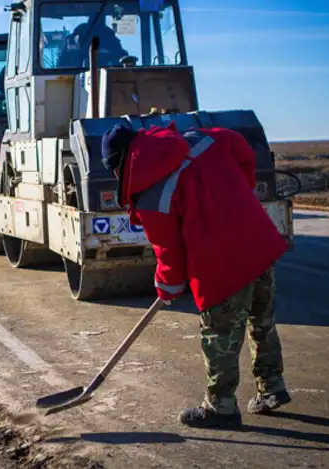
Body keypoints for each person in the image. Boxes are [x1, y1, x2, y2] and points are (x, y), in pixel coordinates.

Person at [100, 122, 291, 429]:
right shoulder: (198, 138)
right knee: (262, 320)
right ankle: (272, 387)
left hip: (221, 262)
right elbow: (240, 146)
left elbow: (169, 252)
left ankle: (221, 407)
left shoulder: (150, 192)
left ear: (121, 162)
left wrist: (167, 287)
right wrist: (238, 193)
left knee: (220, 335)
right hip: (258, 239)